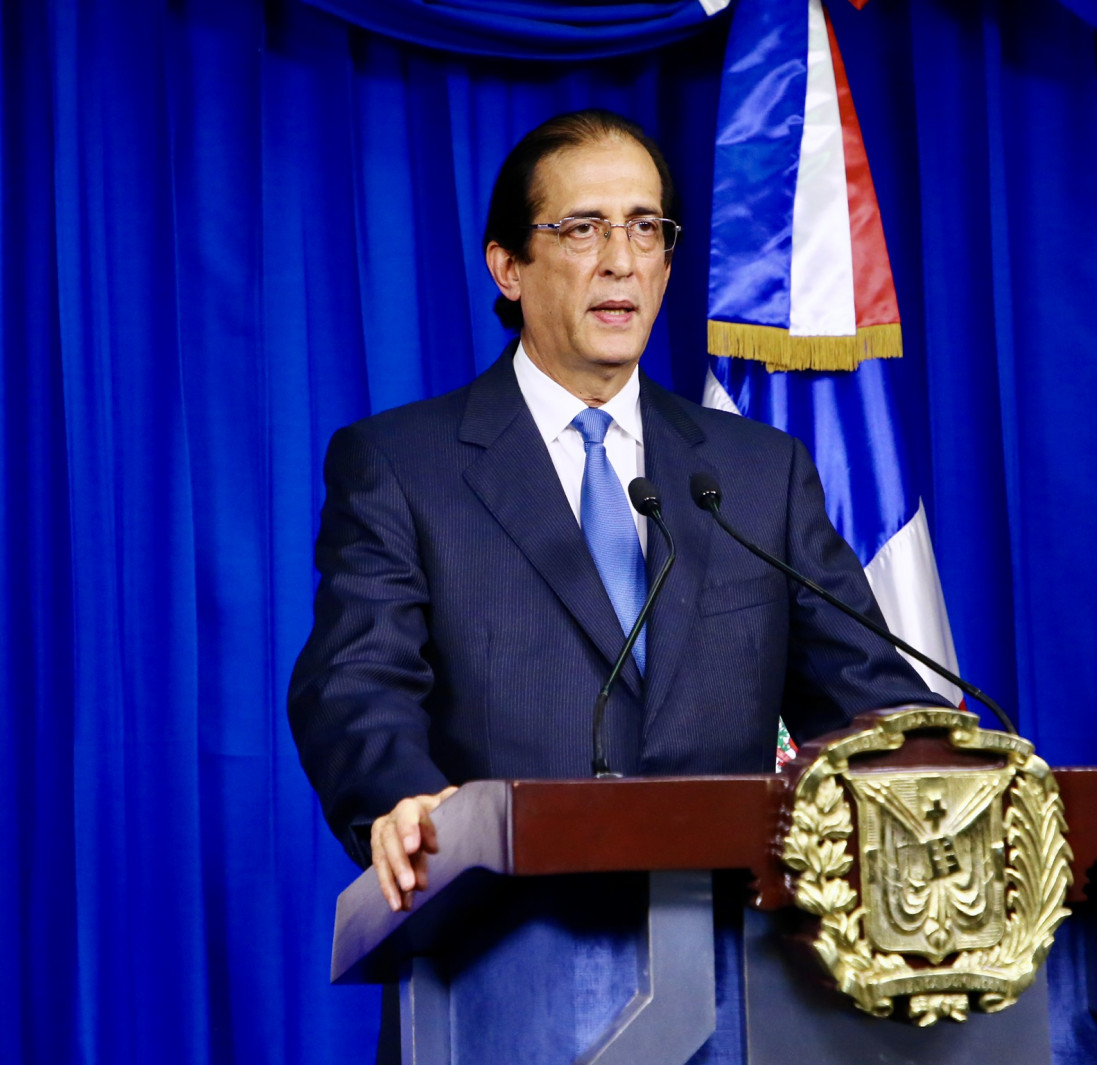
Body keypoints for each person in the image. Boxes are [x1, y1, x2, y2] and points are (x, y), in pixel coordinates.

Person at [287, 108, 948, 1059]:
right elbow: (355, 681)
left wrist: (947, 776)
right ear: (507, 267)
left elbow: (869, 702)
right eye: (582, 228)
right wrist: (403, 799)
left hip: (744, 985)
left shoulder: (754, 473)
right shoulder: (402, 464)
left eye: (645, 228)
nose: (621, 260)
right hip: (499, 977)